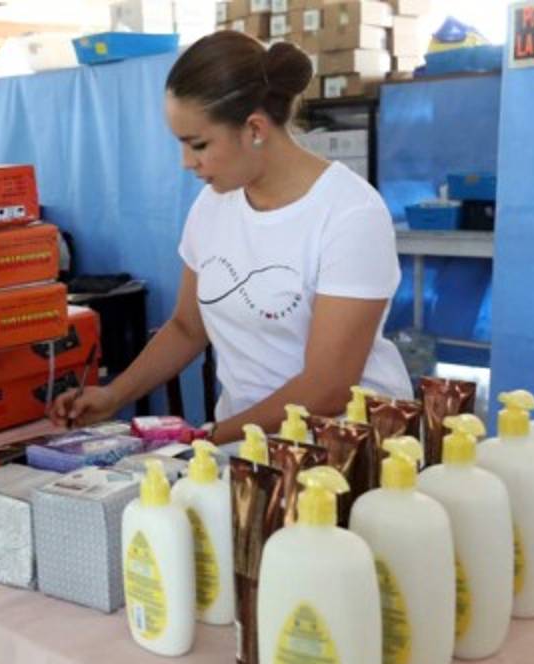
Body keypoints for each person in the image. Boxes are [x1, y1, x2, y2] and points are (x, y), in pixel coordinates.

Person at [51, 31, 411, 443]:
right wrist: (114, 394)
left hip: (340, 449)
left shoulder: (349, 213)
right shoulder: (212, 206)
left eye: (199, 144)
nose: (187, 163)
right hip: (244, 444)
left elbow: (328, 387)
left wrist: (208, 437)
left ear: (254, 128)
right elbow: (187, 327)